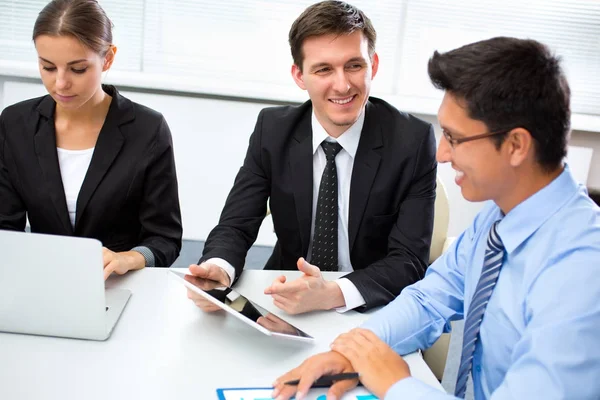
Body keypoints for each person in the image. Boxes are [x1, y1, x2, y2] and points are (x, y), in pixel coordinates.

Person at [272, 37, 600, 400]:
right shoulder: (498, 219)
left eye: (454, 138)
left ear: (516, 145)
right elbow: (430, 299)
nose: (441, 154)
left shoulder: (583, 271)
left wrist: (396, 384)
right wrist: (350, 352)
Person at [187, 0, 437, 314]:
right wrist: (219, 269)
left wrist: (332, 292)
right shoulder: (273, 130)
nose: (343, 84)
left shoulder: (412, 141)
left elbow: (409, 260)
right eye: (323, 69)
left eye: (354, 65)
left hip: (370, 301)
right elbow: (237, 225)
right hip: (285, 292)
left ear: (373, 65)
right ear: (299, 76)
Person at [0, 0, 182, 278]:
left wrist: (128, 259)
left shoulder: (147, 129)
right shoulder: (15, 123)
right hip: (40, 281)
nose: (60, 83)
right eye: (48, 67)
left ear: (107, 58)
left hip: (118, 285)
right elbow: (5, 228)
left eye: (78, 69)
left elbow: (165, 239)